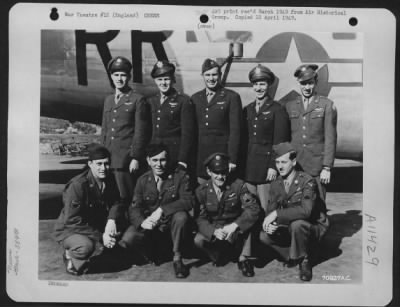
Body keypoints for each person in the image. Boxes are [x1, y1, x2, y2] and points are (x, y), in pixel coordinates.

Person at [120, 144, 194, 278]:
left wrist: (162, 210)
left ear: (168, 160)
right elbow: (135, 207)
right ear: (148, 161)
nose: (158, 164)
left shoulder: (180, 177)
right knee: (128, 238)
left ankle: (177, 258)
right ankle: (149, 255)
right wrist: (142, 222)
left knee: (181, 216)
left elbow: (188, 200)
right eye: (154, 160)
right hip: (152, 226)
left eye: (162, 160)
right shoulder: (142, 180)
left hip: (171, 225)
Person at [53, 144, 128, 275]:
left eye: (106, 164)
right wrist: (101, 236)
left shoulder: (110, 178)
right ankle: (69, 255)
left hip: (94, 223)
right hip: (70, 228)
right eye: (99, 164)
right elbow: (72, 220)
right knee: (86, 247)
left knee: (122, 239)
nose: (103, 168)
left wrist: (111, 220)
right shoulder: (78, 185)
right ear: (90, 164)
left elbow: (117, 202)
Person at [259, 142, 329, 281]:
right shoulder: (276, 184)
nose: (279, 166)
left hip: (311, 227)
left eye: (284, 162)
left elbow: (306, 211)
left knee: (298, 224)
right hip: (290, 227)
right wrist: (271, 224)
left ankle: (305, 261)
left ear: (294, 162)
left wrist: (277, 215)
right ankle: (292, 256)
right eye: (277, 162)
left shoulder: (307, 181)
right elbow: (271, 210)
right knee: (264, 236)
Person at [194, 153, 260, 277]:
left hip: (233, 229)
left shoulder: (238, 186)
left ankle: (243, 259)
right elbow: (200, 218)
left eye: (223, 172)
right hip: (216, 230)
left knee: (249, 223)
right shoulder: (201, 191)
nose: (220, 177)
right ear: (209, 172)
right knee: (198, 240)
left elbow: (253, 209)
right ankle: (217, 255)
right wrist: (213, 231)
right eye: (216, 173)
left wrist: (235, 225)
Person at [285, 64, 337, 204]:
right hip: (296, 166)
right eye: (303, 83)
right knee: (296, 204)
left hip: (317, 166)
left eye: (310, 83)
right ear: (298, 83)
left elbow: (330, 139)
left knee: (318, 205)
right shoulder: (290, 106)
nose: (307, 87)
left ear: (316, 83)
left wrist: (327, 167)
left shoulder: (326, 105)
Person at [101, 56, 150, 203]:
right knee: (111, 198)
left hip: (125, 160)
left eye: (123, 75)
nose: (119, 79)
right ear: (111, 76)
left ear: (129, 77)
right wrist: (102, 156)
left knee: (127, 198)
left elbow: (141, 132)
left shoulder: (137, 99)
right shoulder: (108, 100)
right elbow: (105, 130)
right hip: (109, 158)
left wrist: (135, 157)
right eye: (116, 75)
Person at [243, 64, 290, 212]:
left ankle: (267, 236)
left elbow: (280, 142)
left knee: (266, 208)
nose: (259, 88)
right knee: (249, 209)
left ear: (268, 85)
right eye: (256, 84)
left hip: (266, 169)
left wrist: (272, 166)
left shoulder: (277, 109)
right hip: (249, 167)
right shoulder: (247, 109)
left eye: (262, 84)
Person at [191, 58, 243, 183]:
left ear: (220, 75)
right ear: (202, 76)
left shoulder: (231, 97)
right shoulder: (195, 98)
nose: (211, 78)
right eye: (207, 75)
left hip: (222, 156)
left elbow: (235, 131)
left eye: (214, 74)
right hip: (201, 156)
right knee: (202, 195)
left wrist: (233, 159)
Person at [146, 60, 195, 171]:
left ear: (173, 80)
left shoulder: (183, 101)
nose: (163, 83)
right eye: (159, 79)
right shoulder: (151, 101)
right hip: (155, 155)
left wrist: (182, 159)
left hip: (174, 155)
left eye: (166, 79)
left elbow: (187, 134)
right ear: (155, 81)